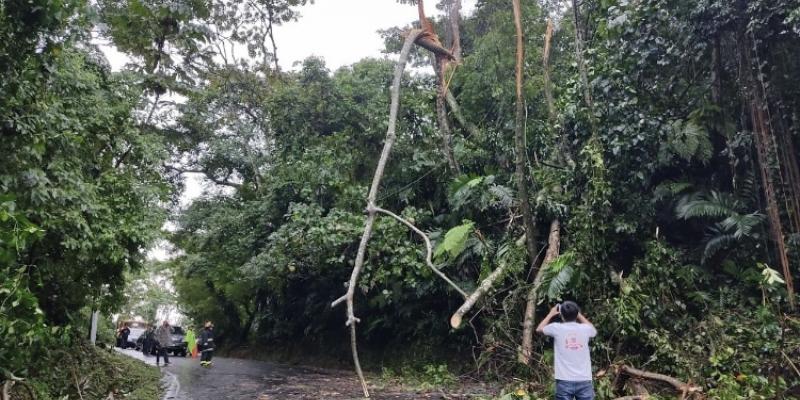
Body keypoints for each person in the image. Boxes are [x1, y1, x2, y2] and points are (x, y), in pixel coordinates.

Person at [536, 301, 597, 400]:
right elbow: (593, 330)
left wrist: (551, 314)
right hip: (584, 379)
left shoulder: (556, 328)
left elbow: (539, 329)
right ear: (576, 314)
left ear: (561, 315)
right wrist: (579, 315)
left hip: (564, 380)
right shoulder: (585, 329)